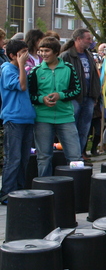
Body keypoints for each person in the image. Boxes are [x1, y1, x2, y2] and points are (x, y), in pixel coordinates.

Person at [28, 36, 82, 177]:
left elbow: (76, 90)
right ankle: (44, 189)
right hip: (43, 118)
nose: (43, 54)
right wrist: (41, 99)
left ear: (56, 52)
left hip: (65, 117)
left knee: (75, 156)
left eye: (47, 51)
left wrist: (60, 95)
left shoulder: (68, 68)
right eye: (40, 51)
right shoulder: (35, 71)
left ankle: (75, 189)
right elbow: (30, 95)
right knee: (44, 157)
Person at [0, 40, 36, 202]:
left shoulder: (23, 69)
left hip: (27, 117)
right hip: (13, 118)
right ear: (13, 55)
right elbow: (21, 86)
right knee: (13, 158)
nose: (26, 55)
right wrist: (21, 66)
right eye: (22, 52)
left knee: (24, 158)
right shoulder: (7, 69)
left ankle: (20, 189)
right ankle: (7, 192)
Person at [61, 28, 101, 156]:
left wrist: (95, 96)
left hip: (88, 98)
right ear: (78, 39)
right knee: (71, 129)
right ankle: (69, 156)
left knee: (84, 129)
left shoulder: (88, 55)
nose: (91, 42)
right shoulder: (66, 56)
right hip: (74, 98)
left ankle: (78, 155)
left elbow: (94, 76)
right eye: (88, 39)